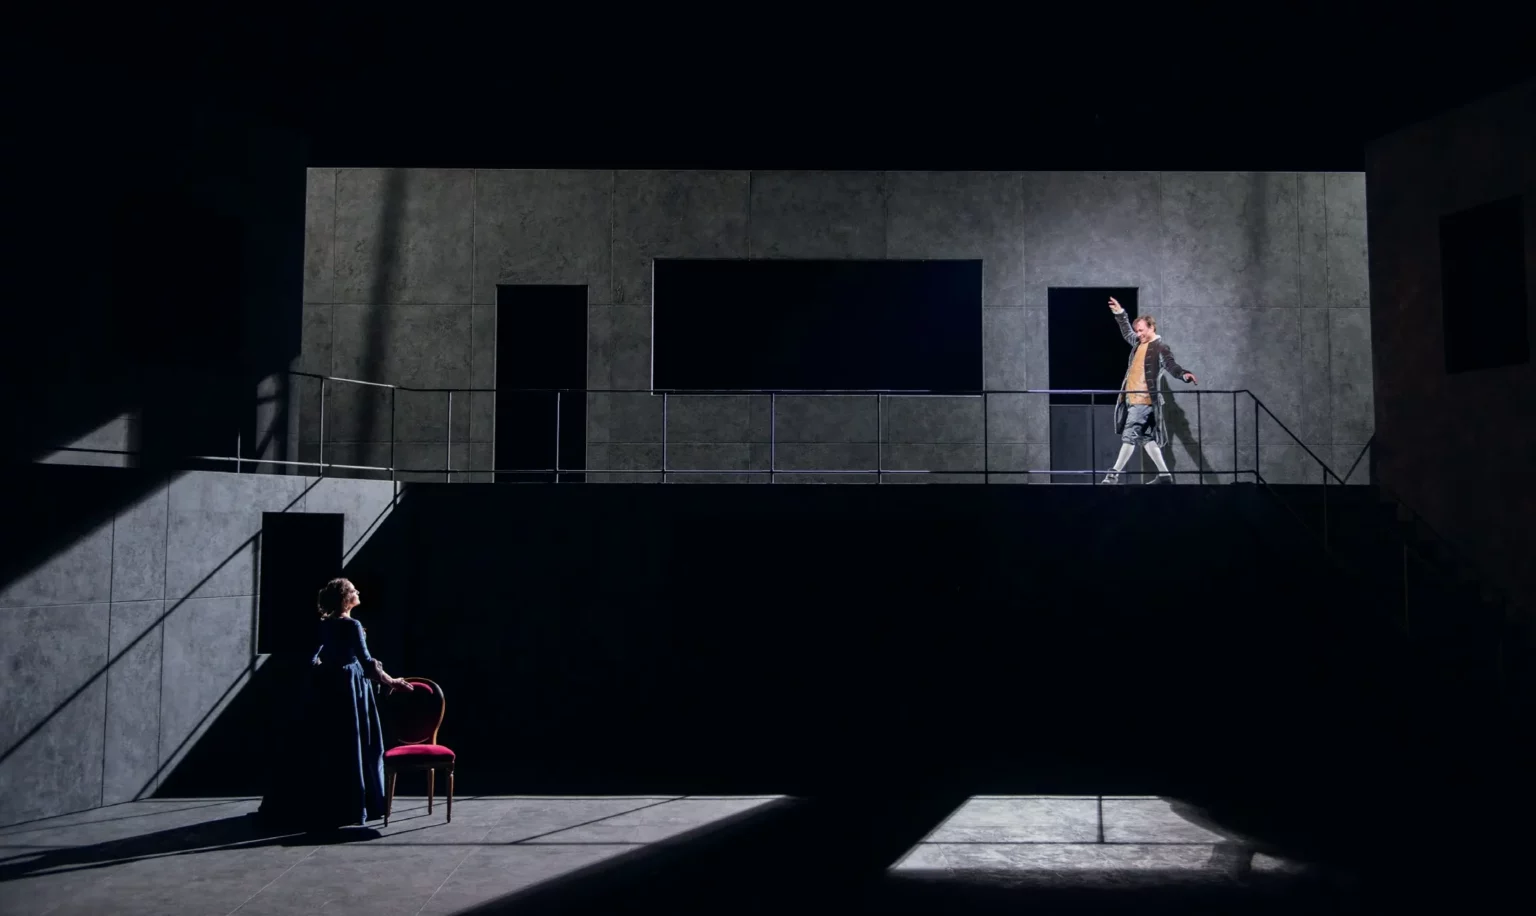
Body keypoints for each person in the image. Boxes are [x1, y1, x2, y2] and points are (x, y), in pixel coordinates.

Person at [299, 578, 410, 828]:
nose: (357, 591)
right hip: (351, 688)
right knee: (360, 741)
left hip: (330, 689)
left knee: (336, 745)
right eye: (353, 590)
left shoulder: (324, 625)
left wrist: (327, 671)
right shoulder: (352, 625)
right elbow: (367, 661)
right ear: (345, 598)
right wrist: (392, 682)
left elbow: (310, 658)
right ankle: (363, 803)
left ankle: (332, 803)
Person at [1101, 297, 1198, 484]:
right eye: (1137, 331)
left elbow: (1171, 365)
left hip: (1143, 401)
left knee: (1129, 436)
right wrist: (1120, 313)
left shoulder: (1160, 347)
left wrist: (1184, 375)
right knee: (1146, 438)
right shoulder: (1139, 344)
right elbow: (1127, 332)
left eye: (1142, 330)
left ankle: (1113, 475)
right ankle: (1164, 476)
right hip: (1132, 400)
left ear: (1152, 327)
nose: (1138, 334)